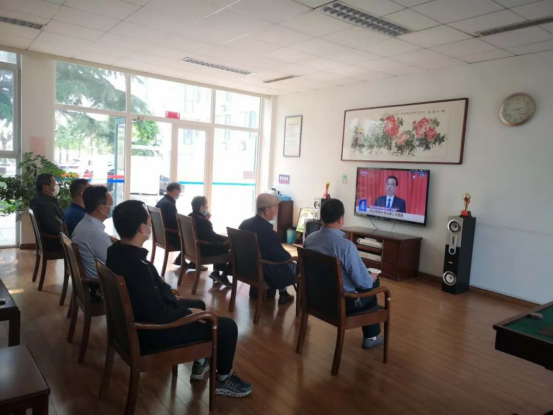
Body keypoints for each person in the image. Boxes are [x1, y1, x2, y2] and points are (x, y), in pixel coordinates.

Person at [106, 200, 253, 397]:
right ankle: (223, 380)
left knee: (199, 304)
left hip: (131, 323)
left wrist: (172, 295)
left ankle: (201, 361)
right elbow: (158, 314)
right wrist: (188, 313)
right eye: (149, 221)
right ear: (142, 228)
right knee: (227, 326)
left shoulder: (115, 251)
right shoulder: (137, 267)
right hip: (152, 333)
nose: (150, 225)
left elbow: (147, 296)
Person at [304, 199, 383, 350]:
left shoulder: (310, 239)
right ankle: (371, 337)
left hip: (315, 299)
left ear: (322, 217)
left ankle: (371, 335)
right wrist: (371, 278)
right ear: (341, 219)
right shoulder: (345, 246)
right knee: (373, 283)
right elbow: (363, 282)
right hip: (342, 303)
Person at [239, 193, 296, 305]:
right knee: (296, 266)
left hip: (246, 268)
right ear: (267, 210)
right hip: (262, 270)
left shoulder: (244, 224)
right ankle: (294, 300)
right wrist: (292, 257)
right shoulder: (267, 232)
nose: (276, 211)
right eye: (275, 208)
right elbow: (281, 257)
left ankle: (283, 293)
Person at [189, 196, 231, 286]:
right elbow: (212, 238)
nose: (207, 208)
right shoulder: (204, 222)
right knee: (227, 247)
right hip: (203, 250)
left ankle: (216, 272)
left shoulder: (189, 216)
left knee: (224, 244)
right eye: (206, 206)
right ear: (201, 207)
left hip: (192, 249)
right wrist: (226, 239)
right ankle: (220, 273)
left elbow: (205, 233)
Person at [29, 173, 63, 251]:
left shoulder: (35, 200)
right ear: (45, 187)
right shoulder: (47, 205)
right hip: (55, 243)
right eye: (54, 184)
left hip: (47, 241)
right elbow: (53, 229)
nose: (56, 186)